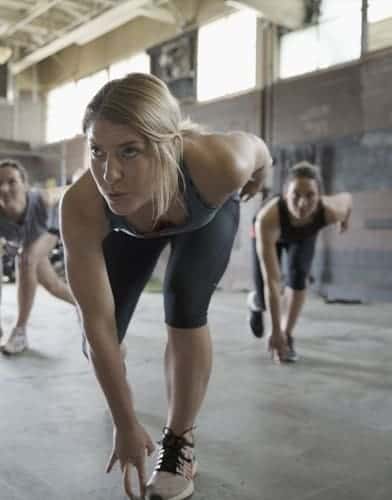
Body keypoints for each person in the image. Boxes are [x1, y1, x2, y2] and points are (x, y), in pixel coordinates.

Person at [60, 72, 272, 500]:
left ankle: (179, 444)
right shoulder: (82, 204)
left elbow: (260, 151)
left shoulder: (219, 163)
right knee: (101, 334)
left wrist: (255, 179)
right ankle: (123, 399)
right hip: (130, 231)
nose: (109, 174)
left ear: (169, 144)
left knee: (185, 303)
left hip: (202, 215)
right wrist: (124, 421)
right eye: (96, 151)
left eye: (129, 151)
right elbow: (96, 326)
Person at [247, 161, 352, 362]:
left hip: (303, 235)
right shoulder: (267, 218)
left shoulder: (329, 211)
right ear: (286, 194)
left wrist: (282, 334)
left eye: (310, 195)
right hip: (271, 233)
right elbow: (273, 280)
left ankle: (288, 337)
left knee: (298, 276)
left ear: (319, 196)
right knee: (265, 292)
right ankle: (255, 303)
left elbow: (347, 200)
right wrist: (274, 330)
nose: (303, 203)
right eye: (296, 195)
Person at [0, 159, 74, 354]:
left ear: (24, 184)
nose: (4, 188)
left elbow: (67, 190)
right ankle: (90, 308)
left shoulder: (41, 198)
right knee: (53, 286)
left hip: (53, 229)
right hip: (28, 242)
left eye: (11, 181)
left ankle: (20, 332)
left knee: (26, 259)